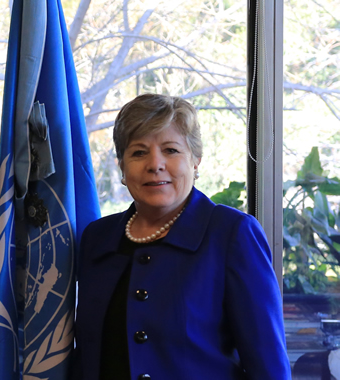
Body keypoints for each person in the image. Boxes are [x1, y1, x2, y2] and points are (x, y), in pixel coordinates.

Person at [73, 94, 290, 379]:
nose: (155, 164)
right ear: (122, 167)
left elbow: (269, 366)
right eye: (139, 152)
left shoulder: (233, 234)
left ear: (196, 161)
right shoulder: (97, 238)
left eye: (171, 150)